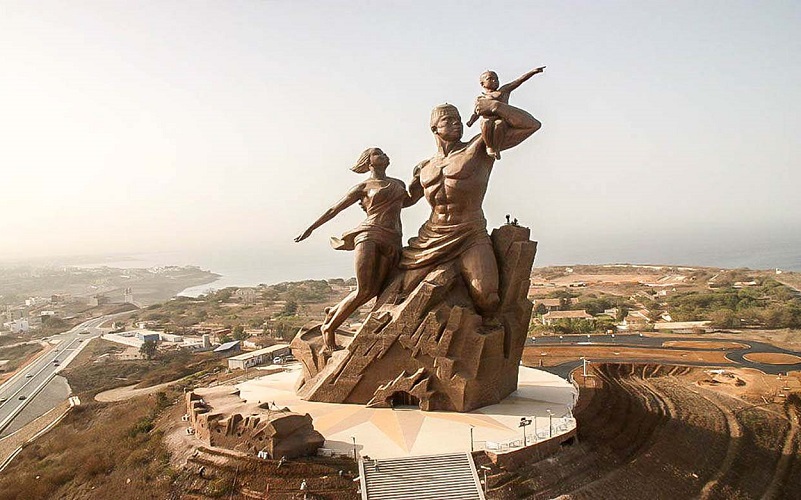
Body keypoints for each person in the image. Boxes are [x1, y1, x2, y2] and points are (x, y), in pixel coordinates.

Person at [401, 101, 540, 322]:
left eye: (458, 119)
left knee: (487, 299)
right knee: (404, 291)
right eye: (449, 120)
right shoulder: (424, 167)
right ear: (434, 128)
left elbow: (531, 125)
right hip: (432, 236)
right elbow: (405, 201)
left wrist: (495, 106)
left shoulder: (478, 147)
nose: (457, 123)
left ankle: (482, 336)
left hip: (470, 233)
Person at [295, 148, 411, 352]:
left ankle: (334, 312)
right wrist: (311, 228)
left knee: (376, 291)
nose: (384, 155)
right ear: (368, 162)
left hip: (393, 239)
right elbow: (334, 209)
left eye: (384, 153)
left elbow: (409, 201)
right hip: (369, 235)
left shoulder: (398, 184)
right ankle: (329, 328)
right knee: (364, 289)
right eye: (378, 153)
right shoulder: (363, 187)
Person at [465, 67, 545, 159]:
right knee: (485, 122)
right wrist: (471, 121)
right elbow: (476, 112)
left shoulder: (503, 91)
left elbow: (518, 81)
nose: (494, 81)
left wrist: (532, 72)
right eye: (490, 79)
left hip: (501, 119)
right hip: (487, 120)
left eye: (496, 79)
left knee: (499, 124)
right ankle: (489, 146)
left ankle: (496, 147)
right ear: (482, 84)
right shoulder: (481, 98)